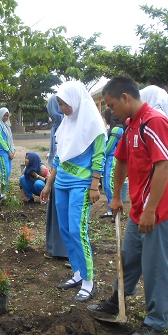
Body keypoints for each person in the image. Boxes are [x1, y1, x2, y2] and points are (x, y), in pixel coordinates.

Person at [89, 75, 168, 335]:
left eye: (110, 104)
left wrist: (151, 210)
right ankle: (117, 299)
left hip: (159, 211)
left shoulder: (154, 122)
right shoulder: (131, 126)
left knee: (155, 266)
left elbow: (163, 166)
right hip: (139, 209)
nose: (110, 110)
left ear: (125, 98)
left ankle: (156, 322)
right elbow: (120, 161)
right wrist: (117, 196)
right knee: (128, 256)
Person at [39, 80, 106, 303]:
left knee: (78, 230)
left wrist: (95, 184)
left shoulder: (94, 125)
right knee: (66, 229)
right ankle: (77, 273)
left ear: (75, 100)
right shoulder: (65, 124)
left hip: (81, 184)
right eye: (58, 103)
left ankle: (88, 280)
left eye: (64, 103)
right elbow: (58, 157)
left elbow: (99, 156)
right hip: (62, 183)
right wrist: (48, 184)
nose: (61, 108)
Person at [44, 95, 68, 260]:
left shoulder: (65, 127)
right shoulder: (57, 126)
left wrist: (50, 181)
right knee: (56, 213)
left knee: (62, 215)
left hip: (62, 176)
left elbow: (60, 158)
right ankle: (55, 247)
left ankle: (62, 250)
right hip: (55, 174)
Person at [100, 107, 125, 219]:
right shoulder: (115, 129)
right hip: (110, 160)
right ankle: (111, 210)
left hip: (112, 160)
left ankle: (114, 210)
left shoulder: (116, 130)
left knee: (109, 185)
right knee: (107, 185)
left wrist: (99, 154)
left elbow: (109, 148)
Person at [0, 107, 16, 201]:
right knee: (5, 172)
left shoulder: (6, 125)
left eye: (7, 115)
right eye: (4, 115)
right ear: (1, 115)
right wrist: (8, 150)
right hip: (2, 152)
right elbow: (0, 140)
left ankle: (6, 191)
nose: (6, 117)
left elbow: (10, 139)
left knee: (9, 172)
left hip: (9, 152)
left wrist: (13, 150)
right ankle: (2, 193)